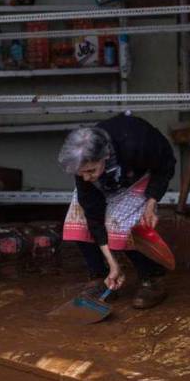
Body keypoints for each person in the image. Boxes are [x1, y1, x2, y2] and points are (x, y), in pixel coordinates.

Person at [58, 113, 176, 309]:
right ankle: (101, 277)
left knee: (120, 228)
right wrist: (113, 263)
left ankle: (152, 278)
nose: (86, 178)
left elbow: (165, 165)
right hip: (107, 181)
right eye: (81, 174)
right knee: (77, 222)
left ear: (104, 156)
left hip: (137, 176)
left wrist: (152, 200)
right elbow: (93, 213)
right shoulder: (83, 165)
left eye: (91, 171)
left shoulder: (137, 141)